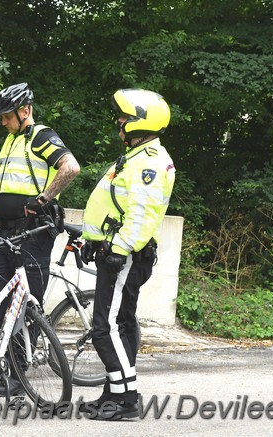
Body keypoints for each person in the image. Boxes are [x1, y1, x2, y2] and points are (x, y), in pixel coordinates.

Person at [79, 88, 175, 420]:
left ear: (139, 121)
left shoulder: (149, 162)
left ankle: (127, 400)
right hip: (116, 250)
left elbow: (142, 215)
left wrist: (118, 249)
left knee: (105, 327)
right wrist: (94, 238)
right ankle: (112, 394)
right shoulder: (136, 156)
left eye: (124, 117)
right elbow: (116, 206)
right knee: (117, 324)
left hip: (126, 254)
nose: (119, 122)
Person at [0, 82, 80, 396]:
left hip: (33, 232)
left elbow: (71, 167)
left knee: (25, 304)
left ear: (25, 110)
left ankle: (17, 376)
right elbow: (6, 187)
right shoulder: (10, 141)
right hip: (5, 230)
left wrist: (43, 199)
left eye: (7, 116)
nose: (3, 122)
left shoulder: (40, 135)